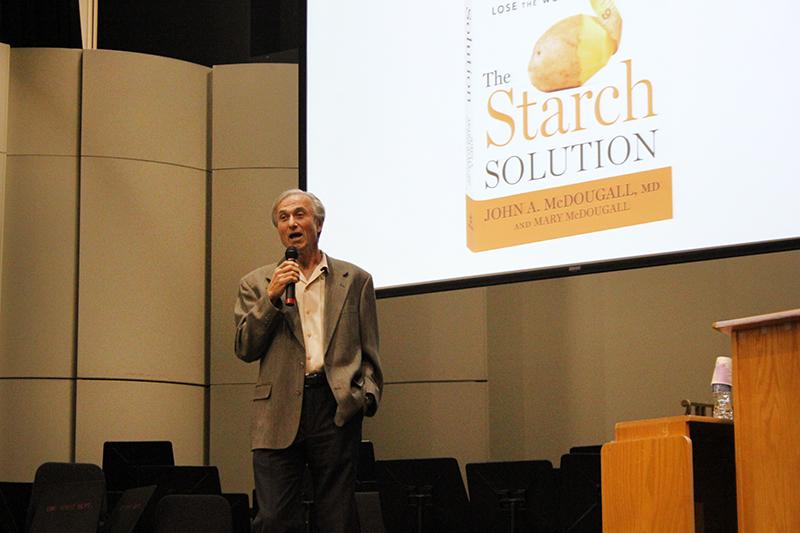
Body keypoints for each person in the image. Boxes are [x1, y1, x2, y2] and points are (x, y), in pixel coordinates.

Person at [234, 189, 383, 533]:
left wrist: (364, 397)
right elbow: (244, 347)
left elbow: (370, 351)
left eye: (299, 214)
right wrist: (270, 301)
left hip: (334, 407)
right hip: (277, 410)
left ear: (318, 223)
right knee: (273, 518)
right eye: (283, 218)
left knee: (337, 518)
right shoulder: (257, 284)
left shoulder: (355, 280)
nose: (291, 223)